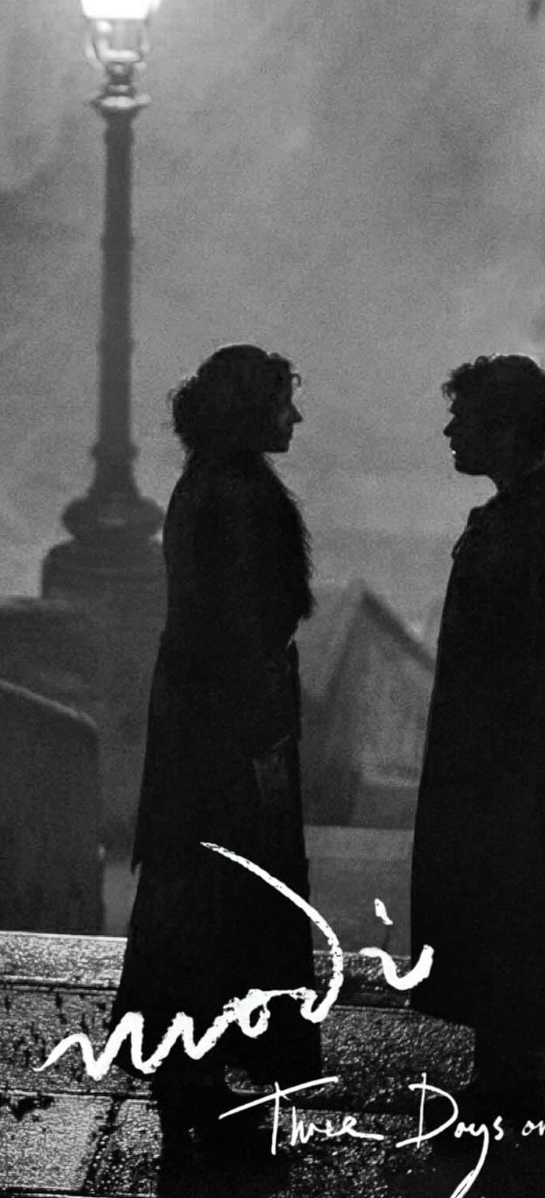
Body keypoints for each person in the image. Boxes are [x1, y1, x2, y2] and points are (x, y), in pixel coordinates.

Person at [110, 343, 321, 1145]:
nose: (294, 416)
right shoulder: (238, 496)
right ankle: (200, 1073)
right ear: (250, 412)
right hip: (230, 727)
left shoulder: (208, 484)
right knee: (226, 889)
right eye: (281, 402)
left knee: (198, 886)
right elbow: (242, 626)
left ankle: (191, 1067)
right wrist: (262, 733)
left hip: (200, 720)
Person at [410, 353, 545, 1120]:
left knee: (502, 903)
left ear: (502, 430)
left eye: (463, 420)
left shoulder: (520, 526)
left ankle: (508, 1075)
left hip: (504, 761)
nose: (450, 432)